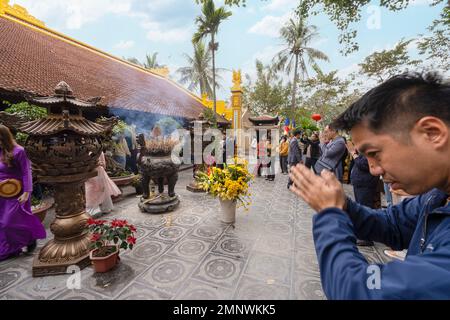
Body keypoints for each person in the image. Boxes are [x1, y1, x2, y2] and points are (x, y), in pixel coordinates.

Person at [289, 72, 450, 299]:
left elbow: (359, 287)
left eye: (375, 153)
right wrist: (343, 205)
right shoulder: (437, 198)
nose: (374, 169)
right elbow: (391, 224)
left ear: (432, 133)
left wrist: (330, 214)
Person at [0, 125, 46, 261]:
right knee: (2, 223)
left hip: (16, 193)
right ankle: (10, 248)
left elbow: (27, 172)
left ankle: (30, 238)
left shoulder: (19, 151)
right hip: (1, 194)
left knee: (9, 222)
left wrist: (27, 192)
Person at [347, 140, 380, 246]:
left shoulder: (373, 148)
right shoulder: (366, 148)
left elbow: (364, 164)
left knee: (365, 208)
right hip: (361, 183)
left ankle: (366, 237)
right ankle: (361, 234)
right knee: (360, 208)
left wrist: (353, 153)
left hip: (366, 184)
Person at [85, 151, 122, 216]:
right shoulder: (86, 151)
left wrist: (97, 164)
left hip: (98, 172)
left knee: (101, 189)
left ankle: (100, 208)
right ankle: (98, 208)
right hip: (91, 173)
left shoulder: (98, 152)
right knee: (93, 189)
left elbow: (103, 165)